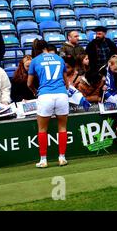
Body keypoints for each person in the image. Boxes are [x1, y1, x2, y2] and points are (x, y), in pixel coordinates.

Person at [27, 40, 69, 168]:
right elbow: (66, 82)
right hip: (61, 94)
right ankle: (62, 158)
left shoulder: (35, 61)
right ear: (46, 47)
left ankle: (43, 160)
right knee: (62, 127)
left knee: (42, 129)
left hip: (45, 95)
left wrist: (36, 92)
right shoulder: (59, 58)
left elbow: (29, 83)